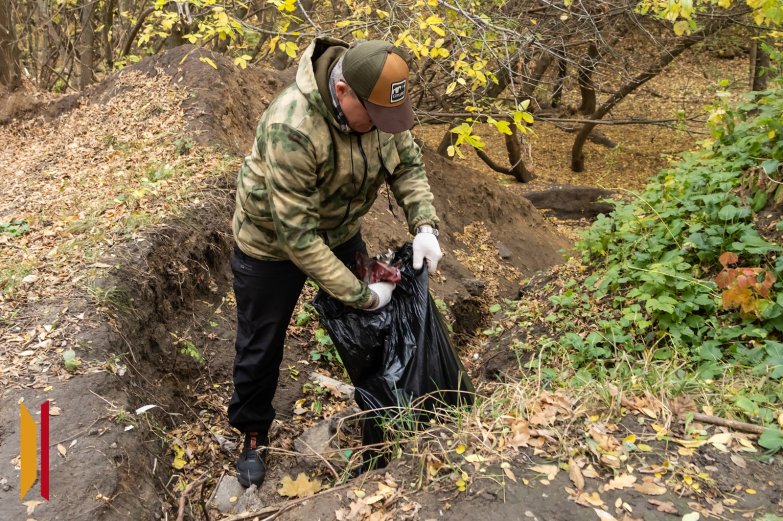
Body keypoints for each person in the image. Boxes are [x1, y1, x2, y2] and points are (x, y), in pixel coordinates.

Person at [229, 36, 444, 488]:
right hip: (271, 242)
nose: (383, 127)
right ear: (343, 91)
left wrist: (424, 225)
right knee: (261, 342)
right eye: (376, 118)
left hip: (341, 230)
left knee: (374, 328)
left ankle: (380, 414)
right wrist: (360, 294)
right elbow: (298, 238)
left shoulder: (381, 110)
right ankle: (252, 431)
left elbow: (406, 166)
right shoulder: (292, 126)